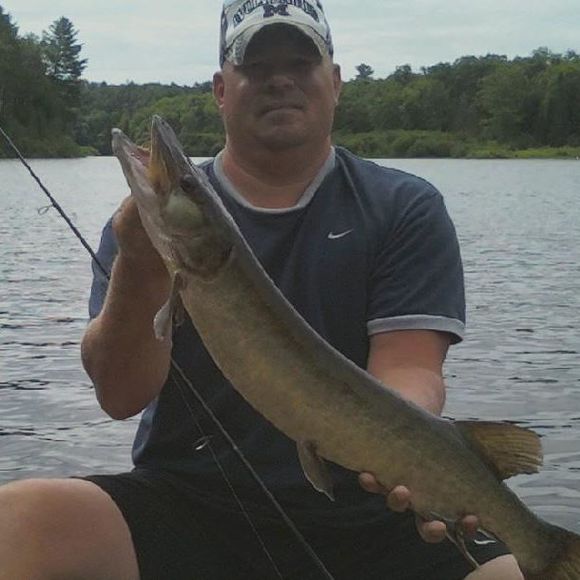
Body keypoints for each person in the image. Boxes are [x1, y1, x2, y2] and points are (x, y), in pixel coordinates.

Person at [0, 1, 524, 579]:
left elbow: (412, 368)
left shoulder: (403, 206)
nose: (280, 80)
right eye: (256, 66)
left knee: (513, 574)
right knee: (20, 519)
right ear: (222, 90)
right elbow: (120, 396)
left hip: (371, 514)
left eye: (301, 63)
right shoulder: (136, 233)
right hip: (190, 502)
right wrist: (142, 264)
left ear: (335, 82)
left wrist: (409, 457)